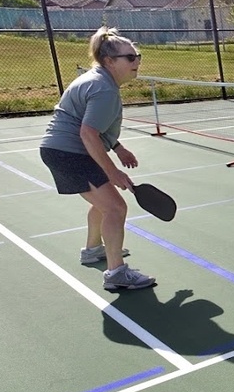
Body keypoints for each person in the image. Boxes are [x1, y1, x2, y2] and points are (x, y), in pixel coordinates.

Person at [38, 26, 155, 292]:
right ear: (109, 61)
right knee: (116, 208)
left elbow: (92, 125)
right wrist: (112, 171)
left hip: (62, 151)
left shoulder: (97, 79)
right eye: (129, 57)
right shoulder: (104, 89)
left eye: (138, 55)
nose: (136, 62)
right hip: (71, 153)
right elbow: (88, 133)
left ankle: (92, 250)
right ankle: (116, 274)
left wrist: (117, 147)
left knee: (104, 203)